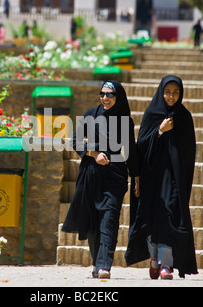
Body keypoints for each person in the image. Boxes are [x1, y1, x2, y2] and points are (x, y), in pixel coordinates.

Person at [62, 80, 139, 279]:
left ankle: (105, 265)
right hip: (91, 174)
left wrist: (137, 177)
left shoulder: (125, 120)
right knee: (94, 221)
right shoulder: (90, 115)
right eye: (102, 94)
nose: (105, 98)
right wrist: (93, 153)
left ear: (118, 97)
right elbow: (76, 141)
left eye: (110, 94)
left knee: (110, 219)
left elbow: (130, 152)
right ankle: (97, 263)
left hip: (115, 175)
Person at [125, 75, 198, 280]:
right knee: (152, 217)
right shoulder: (152, 113)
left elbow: (188, 151)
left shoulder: (184, 117)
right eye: (167, 92)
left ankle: (166, 264)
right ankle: (155, 259)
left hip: (173, 178)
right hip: (152, 176)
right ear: (161, 92)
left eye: (175, 93)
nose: (171, 97)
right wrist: (160, 130)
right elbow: (141, 146)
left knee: (168, 214)